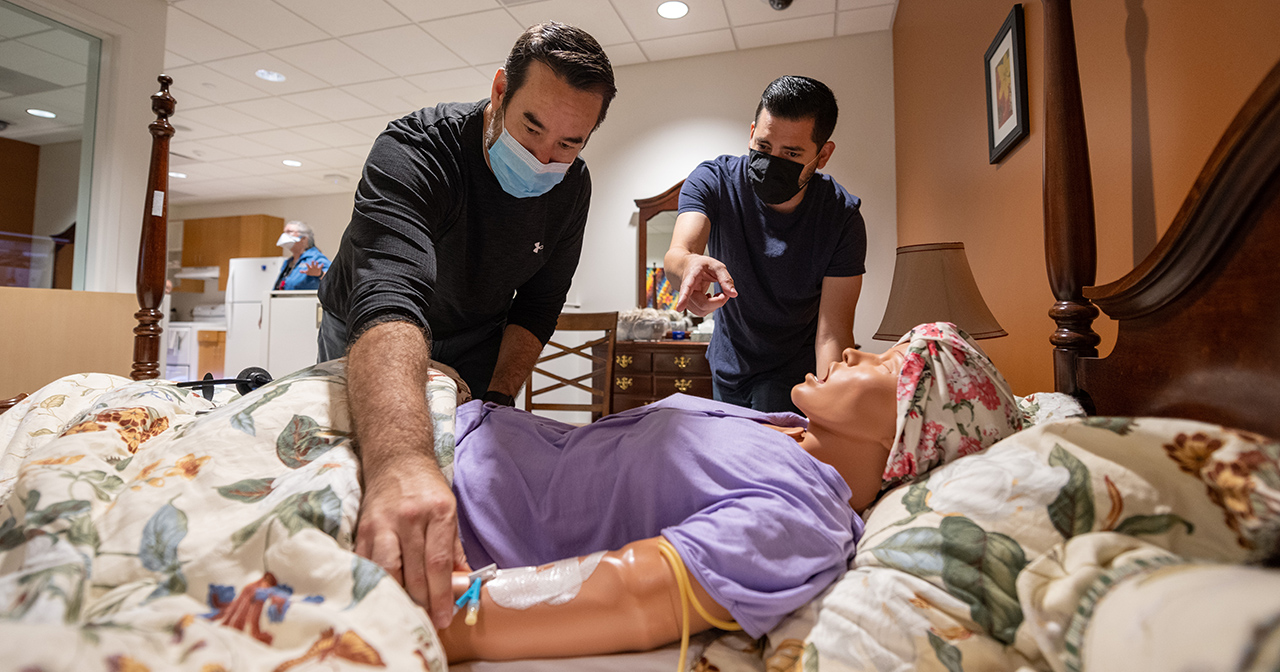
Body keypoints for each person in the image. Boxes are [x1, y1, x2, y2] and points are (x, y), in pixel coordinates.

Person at [435, 323, 1024, 663]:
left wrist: (447, 612)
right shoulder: (780, 429)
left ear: (912, 430)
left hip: (452, 503)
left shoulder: (802, 515)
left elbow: (636, 592)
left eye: (889, 360)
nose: (852, 351)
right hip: (456, 432)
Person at [314, 22, 617, 630]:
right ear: (501, 89)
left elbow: (536, 305)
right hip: (373, 324)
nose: (542, 157)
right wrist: (400, 460)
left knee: (469, 470)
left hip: (477, 333)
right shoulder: (415, 149)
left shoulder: (571, 189)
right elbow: (389, 295)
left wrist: (499, 400)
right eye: (531, 126)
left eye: (567, 143)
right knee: (360, 468)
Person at [665, 75, 866, 415]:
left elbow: (833, 334)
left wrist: (830, 410)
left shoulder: (841, 217)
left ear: (823, 154)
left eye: (791, 153)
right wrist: (687, 267)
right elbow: (678, 253)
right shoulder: (714, 181)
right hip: (730, 365)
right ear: (752, 132)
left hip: (796, 374)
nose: (773, 161)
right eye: (763, 147)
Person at [274, 220, 330, 291]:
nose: (284, 236)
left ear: (303, 238)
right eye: (284, 232)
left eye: (289, 232)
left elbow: (334, 278)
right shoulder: (288, 263)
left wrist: (320, 274)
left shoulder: (315, 258)